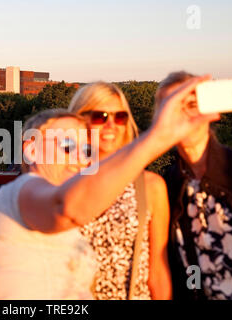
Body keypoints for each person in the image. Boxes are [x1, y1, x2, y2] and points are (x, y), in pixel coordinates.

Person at [0, 75, 219, 299]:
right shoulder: (25, 193)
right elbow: (66, 207)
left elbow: (156, 268)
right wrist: (159, 136)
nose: (78, 157)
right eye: (67, 145)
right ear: (31, 149)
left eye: (85, 150)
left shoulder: (147, 186)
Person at [156, 71, 232, 300]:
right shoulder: (167, 186)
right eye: (171, 106)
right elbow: (189, 269)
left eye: (190, 103)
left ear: (212, 111)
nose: (182, 114)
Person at [68, 82, 172, 300]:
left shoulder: (151, 187)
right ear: (79, 120)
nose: (111, 124)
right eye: (100, 116)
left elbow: (158, 273)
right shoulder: (63, 185)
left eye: (120, 117)